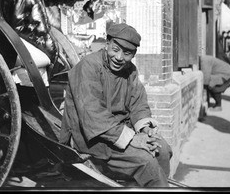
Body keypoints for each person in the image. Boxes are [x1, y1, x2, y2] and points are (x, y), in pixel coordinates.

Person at [59, 23, 173, 187]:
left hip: (119, 134)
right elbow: (93, 117)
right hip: (92, 138)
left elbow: (138, 103)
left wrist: (145, 129)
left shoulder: (130, 70)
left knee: (162, 150)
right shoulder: (88, 66)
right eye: (115, 49)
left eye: (127, 53)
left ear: (133, 54)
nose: (119, 57)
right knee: (147, 163)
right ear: (107, 44)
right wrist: (133, 138)